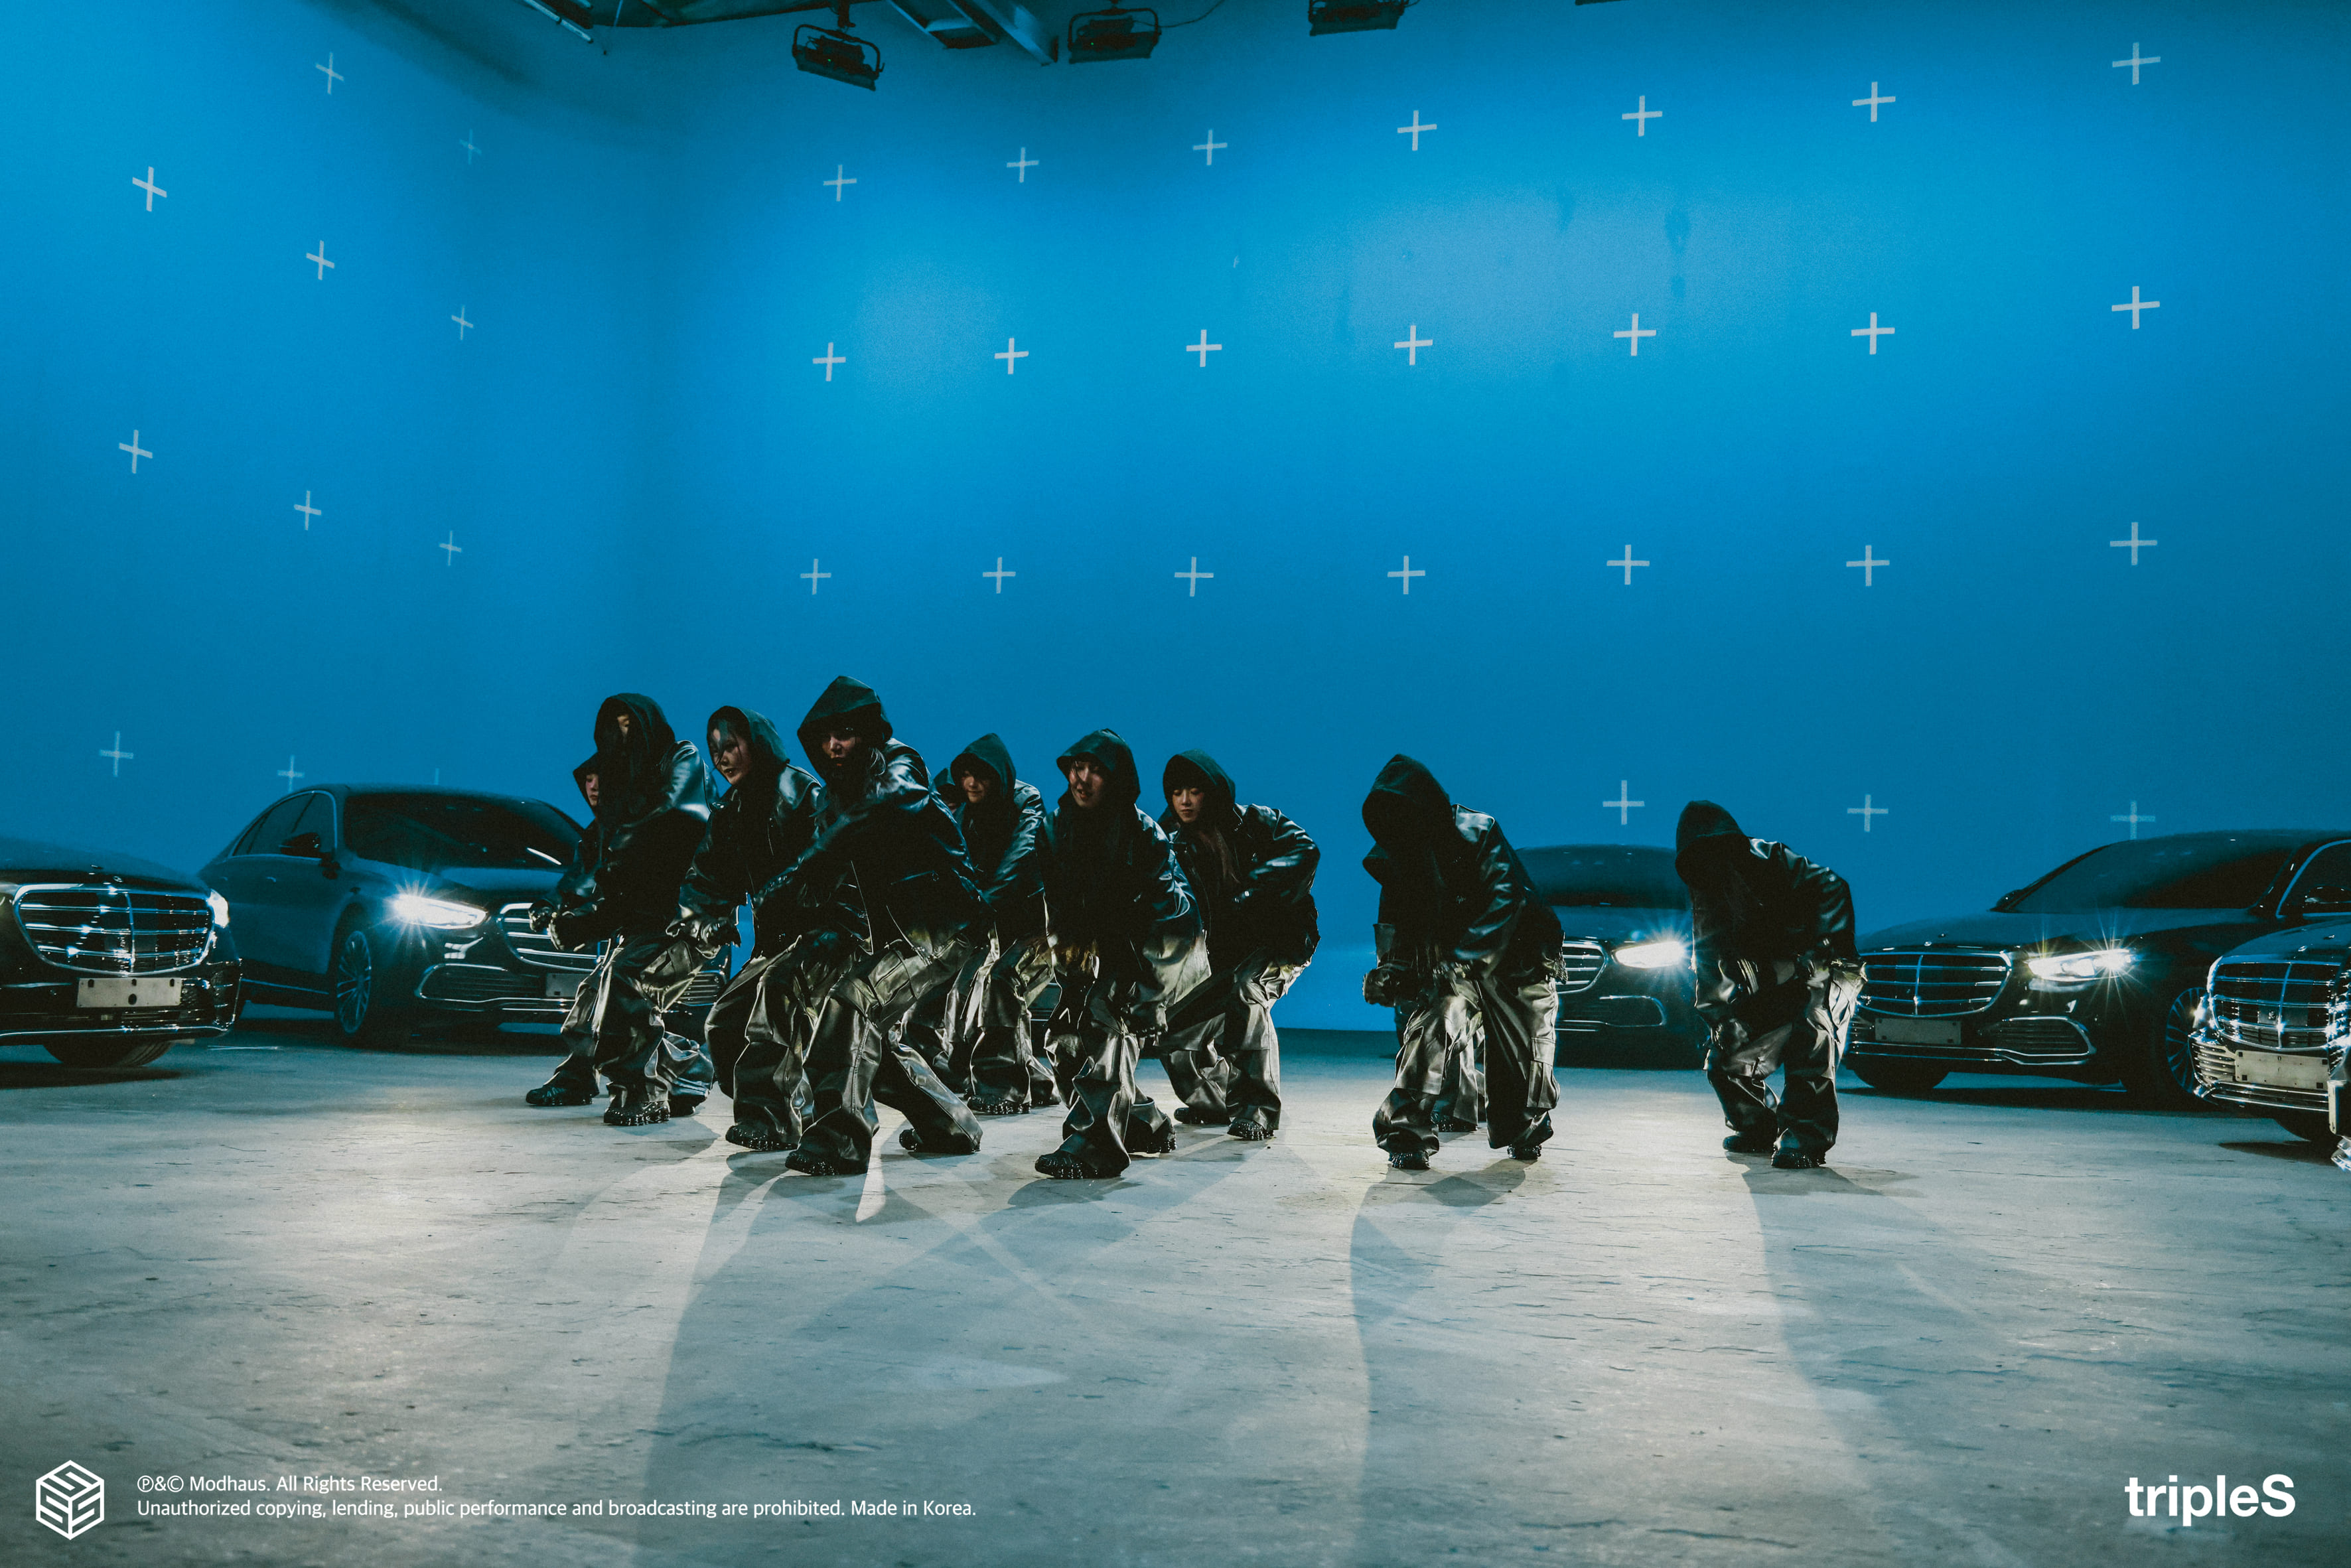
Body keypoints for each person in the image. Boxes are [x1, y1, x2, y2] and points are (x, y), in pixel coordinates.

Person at [753, 677, 989, 1178]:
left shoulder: (900, 765)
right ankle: (951, 1123)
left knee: (854, 1002)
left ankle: (840, 1139)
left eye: (844, 734)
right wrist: (788, 901)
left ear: (867, 734)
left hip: (940, 926)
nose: (833, 746)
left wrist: (807, 866)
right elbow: (826, 879)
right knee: (851, 1027)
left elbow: (884, 805)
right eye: (825, 737)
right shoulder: (833, 799)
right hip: (887, 933)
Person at [1360, 755, 1563, 1170]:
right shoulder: (1397, 857)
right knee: (1435, 1023)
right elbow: (1398, 926)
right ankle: (1405, 1131)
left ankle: (1526, 1126)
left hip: (1519, 962)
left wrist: (1466, 959)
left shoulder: (1477, 831)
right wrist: (1389, 973)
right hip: (1456, 965)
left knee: (1526, 1068)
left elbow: (1505, 899)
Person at [526, 695, 717, 1127]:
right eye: (616, 728)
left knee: (626, 987)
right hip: (645, 926)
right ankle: (582, 1074)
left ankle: (645, 1090)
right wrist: (554, 905)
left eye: (631, 724)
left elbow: (676, 814)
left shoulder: (680, 759)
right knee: (594, 995)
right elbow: (586, 869)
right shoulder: (615, 820)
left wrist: (618, 848)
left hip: (688, 921)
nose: (624, 735)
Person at [1034, 729, 1203, 1179]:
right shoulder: (1054, 830)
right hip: (1108, 946)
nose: (1082, 778)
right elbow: (1061, 914)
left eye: (1096, 770)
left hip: (1166, 945)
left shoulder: (1143, 834)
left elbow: (1167, 919)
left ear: (1116, 780)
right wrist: (1072, 983)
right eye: (1077, 767)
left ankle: (1096, 1147)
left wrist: (1143, 988)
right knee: (1065, 1036)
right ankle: (1144, 1124)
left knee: (1107, 1017)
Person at [670, 707, 828, 1153]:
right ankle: (792, 1107)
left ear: (756, 744)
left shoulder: (804, 794)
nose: (722, 758)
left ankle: (773, 1120)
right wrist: (707, 921)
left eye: (731, 745)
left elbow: (833, 865)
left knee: (775, 1012)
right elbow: (704, 878)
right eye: (714, 749)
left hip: (824, 938)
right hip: (774, 945)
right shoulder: (730, 810)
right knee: (724, 1024)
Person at [1674, 801, 1861, 1171]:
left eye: (1717, 852)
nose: (1712, 864)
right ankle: (1760, 1127)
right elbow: (1708, 965)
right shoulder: (1708, 895)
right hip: (1778, 983)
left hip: (1829, 969)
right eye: (1702, 859)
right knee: (1725, 1054)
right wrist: (1722, 1020)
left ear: (1731, 846)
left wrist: (1813, 955)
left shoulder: (1776, 862)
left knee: (1813, 1023)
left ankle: (1806, 1137)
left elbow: (1834, 888)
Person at [1156, 750, 1319, 1140]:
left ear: (1212, 792)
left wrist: (1250, 894)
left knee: (1248, 993)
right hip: (1221, 956)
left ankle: (1257, 1108)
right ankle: (1214, 1100)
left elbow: (1305, 851)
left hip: (1279, 945)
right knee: (1172, 1028)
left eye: (1194, 791)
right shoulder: (1168, 839)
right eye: (1177, 792)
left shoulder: (1257, 822)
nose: (1185, 801)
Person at [942, 735, 1055, 1117]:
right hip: (998, 931)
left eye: (981, 776)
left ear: (1000, 777)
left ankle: (1004, 1089)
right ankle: (1037, 1082)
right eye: (966, 776)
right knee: (965, 990)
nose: (971, 784)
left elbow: (1021, 857)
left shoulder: (1026, 801)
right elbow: (952, 869)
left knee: (1002, 982)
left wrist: (983, 902)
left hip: (1044, 928)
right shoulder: (965, 817)